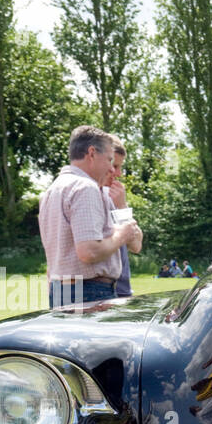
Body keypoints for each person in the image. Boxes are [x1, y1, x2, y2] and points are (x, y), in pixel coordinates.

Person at [38, 125, 140, 308]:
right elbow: (89, 251)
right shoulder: (85, 187)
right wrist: (120, 236)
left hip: (60, 291)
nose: (112, 169)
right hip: (90, 291)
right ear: (92, 153)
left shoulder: (51, 191)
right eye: (110, 160)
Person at [101, 137, 143, 298]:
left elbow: (136, 244)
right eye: (115, 166)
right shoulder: (87, 195)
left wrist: (122, 207)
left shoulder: (115, 196)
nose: (118, 173)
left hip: (121, 290)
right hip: (105, 290)